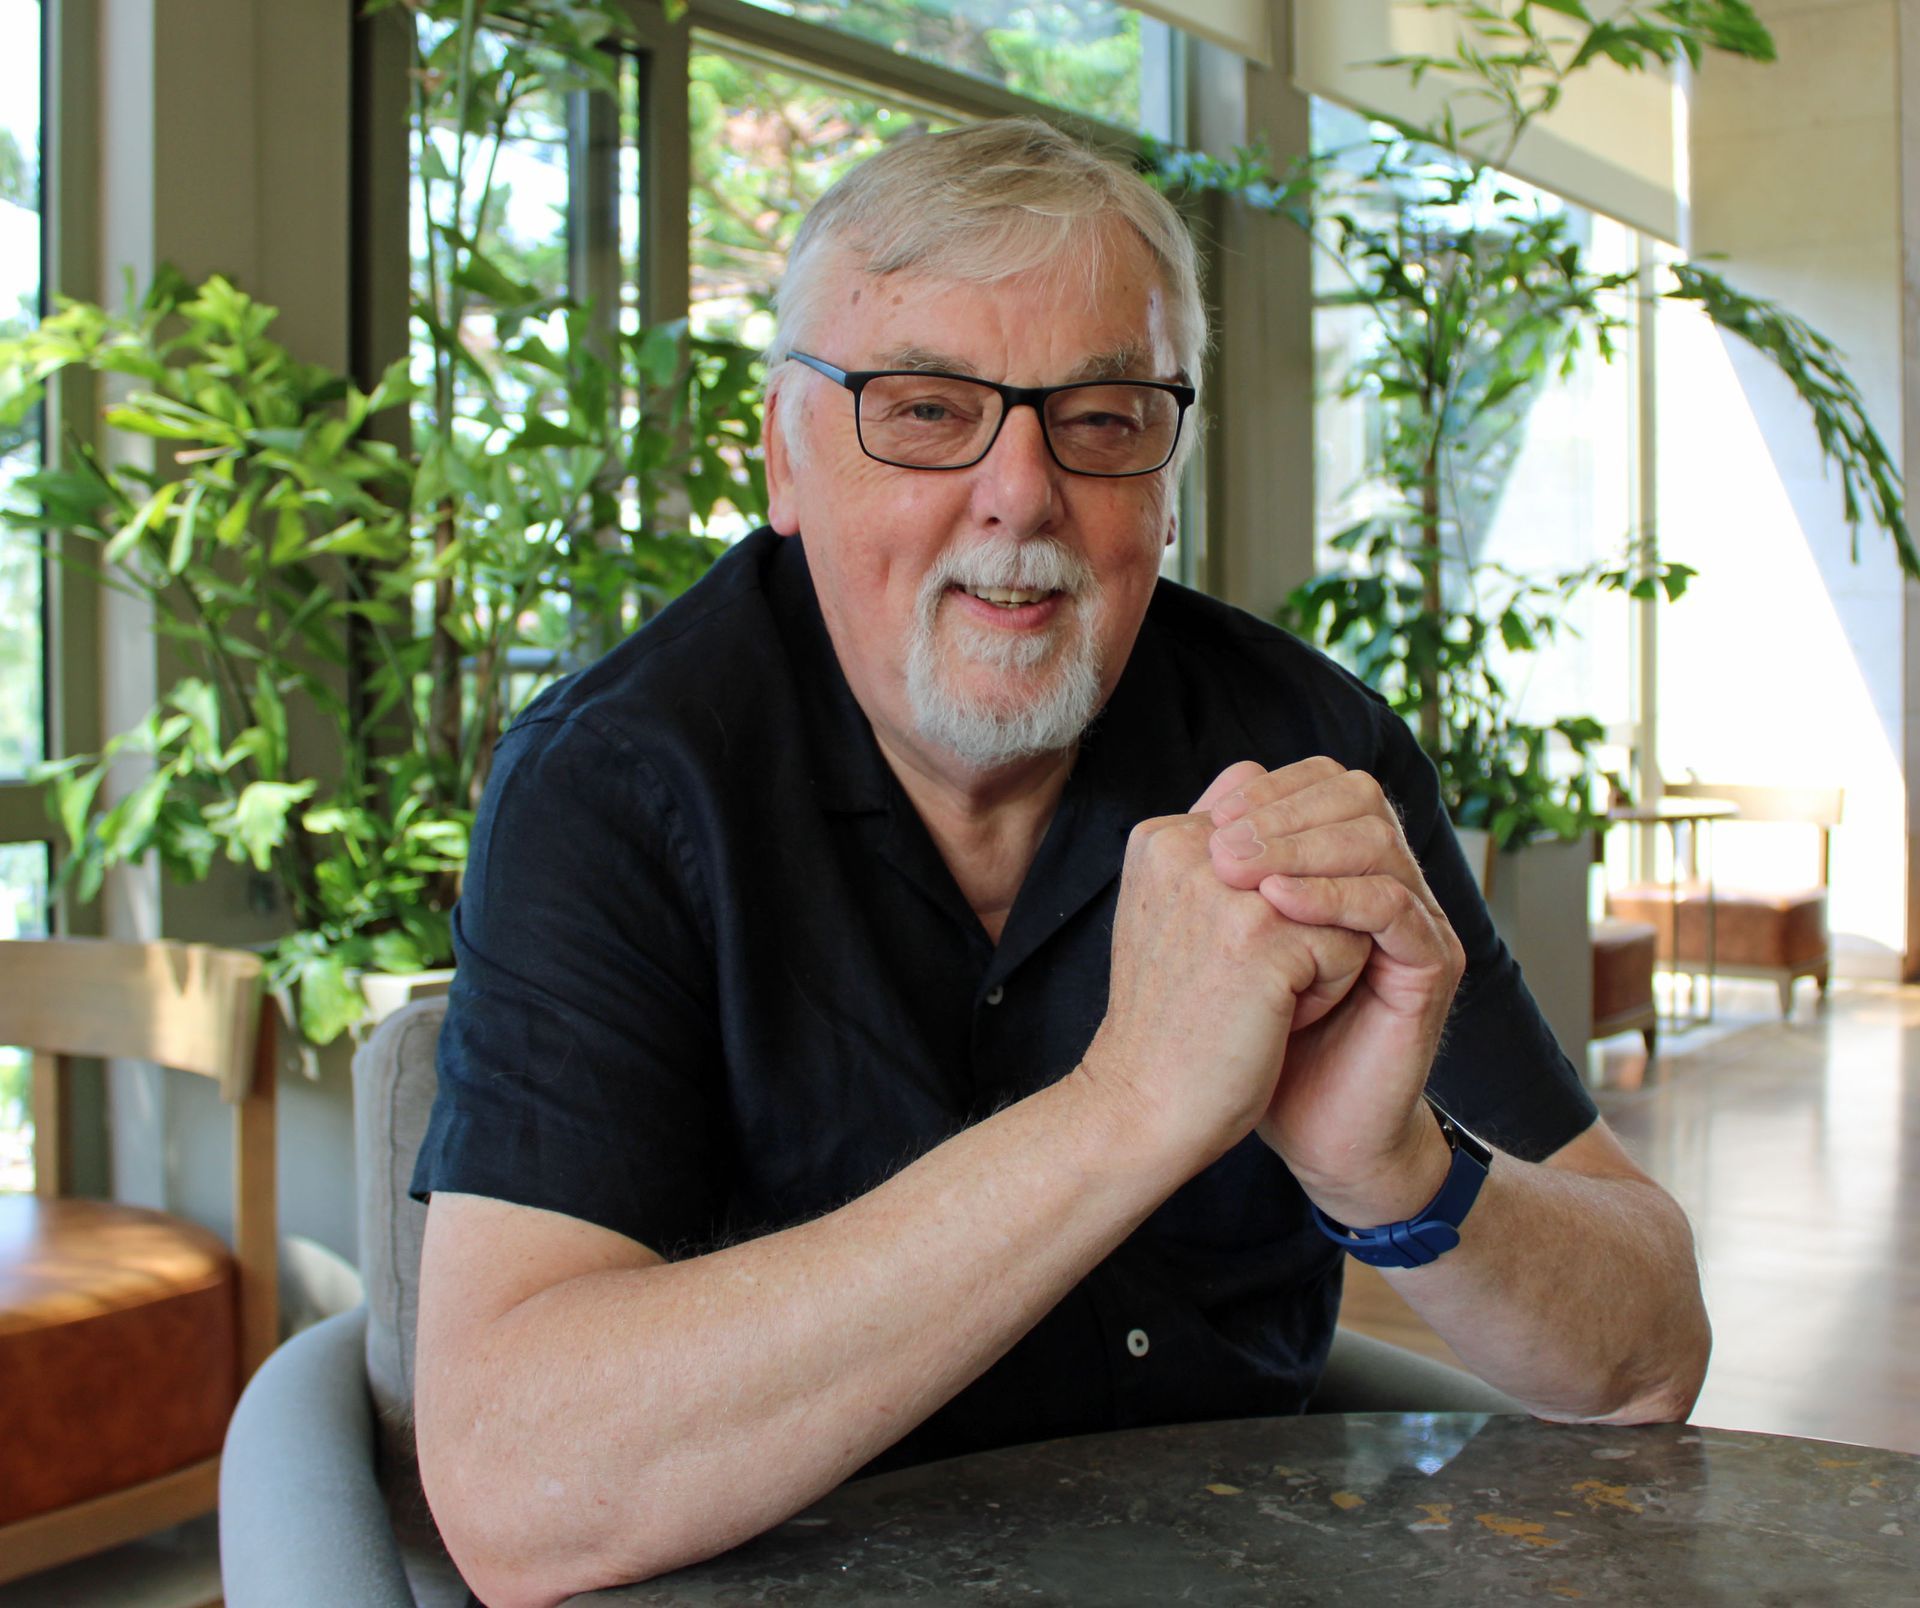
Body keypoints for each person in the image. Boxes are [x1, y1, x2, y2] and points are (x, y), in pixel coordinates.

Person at [410, 118, 1710, 1608]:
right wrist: (1125, 1111)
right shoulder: (618, 784)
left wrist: (1396, 1172)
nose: (1022, 493)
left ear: (1167, 476)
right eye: (924, 411)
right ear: (783, 456)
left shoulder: (1306, 759)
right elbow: (516, 1491)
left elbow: (1649, 1355)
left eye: (1099, 419)